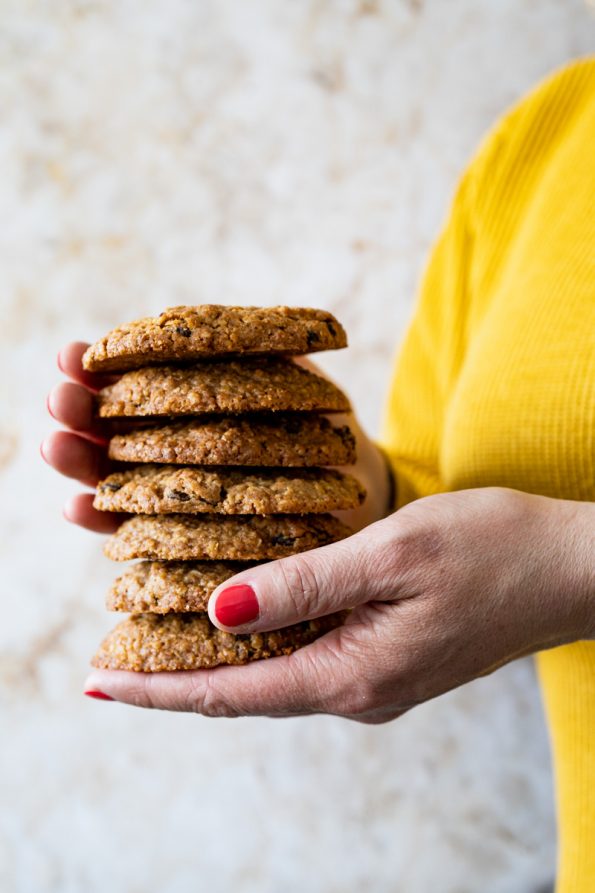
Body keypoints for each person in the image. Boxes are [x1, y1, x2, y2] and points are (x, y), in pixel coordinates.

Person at [42, 59, 594, 889]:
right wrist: (346, 492)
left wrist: (574, 569)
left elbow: (540, 559)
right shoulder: (548, 133)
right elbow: (438, 491)